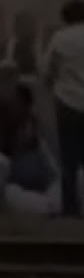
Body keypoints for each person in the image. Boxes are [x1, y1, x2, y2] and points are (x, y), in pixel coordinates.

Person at [42, 0, 84, 218]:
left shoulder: (61, 38)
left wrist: (51, 87)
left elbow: (47, 70)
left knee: (69, 163)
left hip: (69, 105)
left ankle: (71, 211)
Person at [0, 61, 55, 201]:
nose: (10, 84)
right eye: (6, 79)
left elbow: (33, 131)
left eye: (13, 78)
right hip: (12, 167)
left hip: (27, 158)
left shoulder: (23, 100)